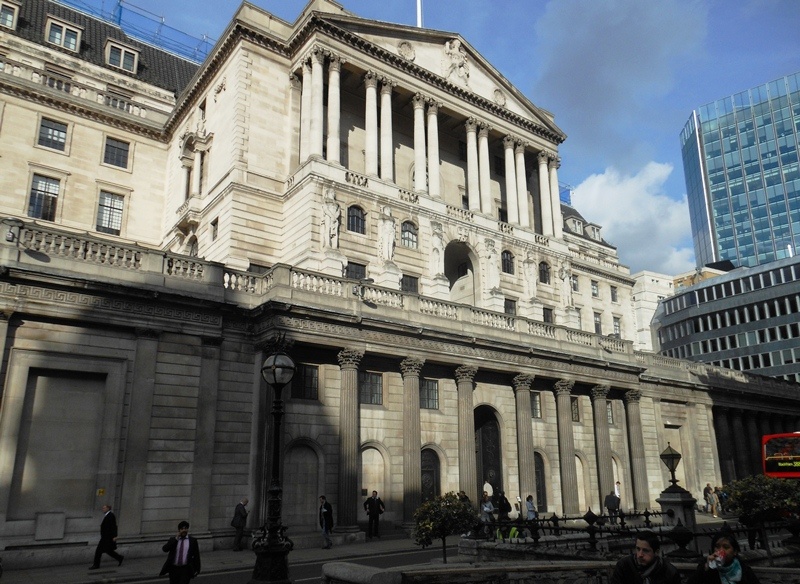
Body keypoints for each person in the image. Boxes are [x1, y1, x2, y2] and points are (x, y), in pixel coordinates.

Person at [687, 530, 761, 584]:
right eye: (717, 546)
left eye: (726, 547)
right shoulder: (708, 569)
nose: (721, 550)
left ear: (734, 551)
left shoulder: (743, 570)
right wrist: (706, 568)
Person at [610, 530, 681, 584]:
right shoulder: (624, 566)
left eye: (645, 551)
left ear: (656, 552)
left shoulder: (669, 572)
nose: (640, 555)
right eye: (638, 549)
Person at [89, 503, 123, 569]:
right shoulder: (108, 515)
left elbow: (114, 526)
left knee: (98, 551)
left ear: (108, 508)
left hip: (107, 537)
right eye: (103, 508)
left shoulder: (111, 515)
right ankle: (120, 558)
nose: (103, 509)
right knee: (108, 550)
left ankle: (96, 565)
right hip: (106, 537)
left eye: (104, 508)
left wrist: (115, 536)